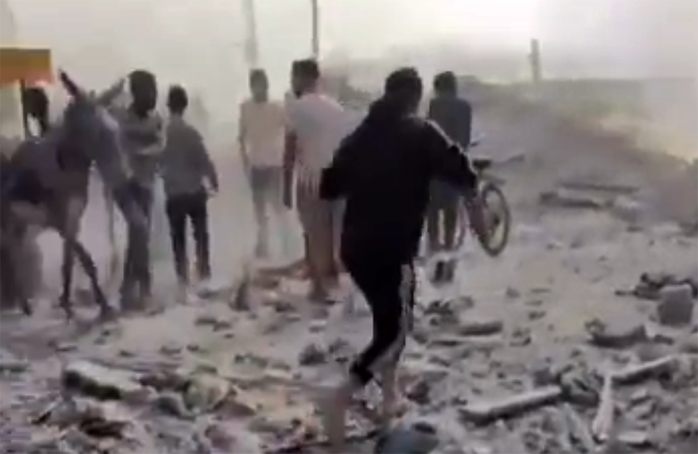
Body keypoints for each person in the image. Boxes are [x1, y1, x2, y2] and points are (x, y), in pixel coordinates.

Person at [315, 67, 488, 449]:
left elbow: (327, 190)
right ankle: (341, 395)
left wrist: (324, 255)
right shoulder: (421, 132)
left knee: (391, 320)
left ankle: (389, 396)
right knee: (395, 330)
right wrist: (482, 226)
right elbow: (465, 174)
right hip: (391, 249)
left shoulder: (359, 137)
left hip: (356, 249)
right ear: (415, 97)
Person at [283, 59, 348, 302]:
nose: (292, 82)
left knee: (314, 234)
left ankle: (320, 288)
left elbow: (290, 149)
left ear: (303, 78)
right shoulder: (335, 107)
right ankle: (329, 282)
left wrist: (286, 185)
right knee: (331, 234)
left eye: (294, 77)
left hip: (311, 180)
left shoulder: (297, 107)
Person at [161, 84, 219, 292]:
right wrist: (213, 180)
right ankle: (204, 272)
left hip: (174, 194)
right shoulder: (191, 132)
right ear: (185, 106)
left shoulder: (163, 134)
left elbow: (158, 162)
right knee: (200, 234)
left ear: (168, 106)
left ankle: (182, 278)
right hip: (195, 192)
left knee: (178, 239)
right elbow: (204, 159)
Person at [116, 69, 164, 309]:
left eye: (155, 91)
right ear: (136, 93)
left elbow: (161, 146)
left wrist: (145, 152)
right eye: (149, 91)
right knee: (139, 229)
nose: (153, 96)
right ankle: (144, 288)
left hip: (146, 184)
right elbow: (119, 148)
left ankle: (127, 289)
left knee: (138, 238)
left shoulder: (156, 120)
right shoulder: (123, 120)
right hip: (125, 185)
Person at [239, 69, 289, 259]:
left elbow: (289, 130)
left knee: (278, 207)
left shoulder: (277, 107)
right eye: (255, 85)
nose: (258, 89)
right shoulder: (246, 107)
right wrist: (245, 160)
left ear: (266, 85)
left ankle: (286, 242)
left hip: (274, 163)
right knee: (259, 209)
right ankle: (263, 244)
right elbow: (241, 136)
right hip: (257, 164)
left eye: (261, 84)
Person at [426, 71, 473, 254]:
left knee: (432, 205)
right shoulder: (465, 106)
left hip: (435, 159)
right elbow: (465, 136)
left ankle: (433, 243)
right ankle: (448, 244)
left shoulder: (435, 104)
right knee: (451, 204)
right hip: (456, 158)